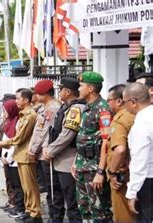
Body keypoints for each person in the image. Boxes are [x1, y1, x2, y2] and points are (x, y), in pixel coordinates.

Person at [0, 88, 40, 223]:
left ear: (26, 100)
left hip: (26, 155)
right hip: (20, 155)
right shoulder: (23, 115)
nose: (16, 101)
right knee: (26, 187)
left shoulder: (30, 115)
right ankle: (29, 210)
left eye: (18, 98)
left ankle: (35, 214)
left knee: (31, 187)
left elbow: (19, 138)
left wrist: (3, 143)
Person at [43, 78, 84, 223]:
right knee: (58, 197)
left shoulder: (76, 109)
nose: (59, 92)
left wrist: (50, 151)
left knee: (72, 203)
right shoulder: (65, 107)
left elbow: (67, 135)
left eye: (61, 89)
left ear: (68, 91)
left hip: (68, 161)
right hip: (59, 160)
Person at [74, 71, 113, 222]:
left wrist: (100, 171)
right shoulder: (87, 107)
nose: (78, 89)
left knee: (99, 210)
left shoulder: (103, 110)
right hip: (82, 165)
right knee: (84, 207)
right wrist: (76, 161)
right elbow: (83, 136)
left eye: (81, 85)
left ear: (90, 88)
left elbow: (106, 142)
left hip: (94, 166)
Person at [27, 80, 62, 222]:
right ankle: (53, 216)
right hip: (42, 153)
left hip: (47, 152)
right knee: (50, 188)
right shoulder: (44, 107)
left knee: (54, 189)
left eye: (37, 93)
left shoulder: (52, 108)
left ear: (45, 94)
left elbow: (42, 132)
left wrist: (33, 149)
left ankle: (56, 218)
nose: (35, 96)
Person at [104, 84, 136, 223]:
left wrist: (112, 172)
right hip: (136, 174)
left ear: (119, 101)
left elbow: (120, 149)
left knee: (123, 216)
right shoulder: (136, 116)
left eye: (109, 100)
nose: (107, 103)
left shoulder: (120, 120)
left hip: (121, 177)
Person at [123, 83, 153, 222]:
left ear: (133, 102)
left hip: (148, 181)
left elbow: (140, 160)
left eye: (125, 102)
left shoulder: (142, 124)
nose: (124, 106)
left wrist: (132, 192)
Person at [0, 97, 26, 219]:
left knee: (18, 185)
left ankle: (20, 208)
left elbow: (15, 143)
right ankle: (15, 205)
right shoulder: (9, 122)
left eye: (5, 111)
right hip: (7, 158)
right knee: (11, 184)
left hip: (14, 160)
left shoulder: (17, 123)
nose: (4, 113)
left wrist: (8, 158)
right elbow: (5, 141)